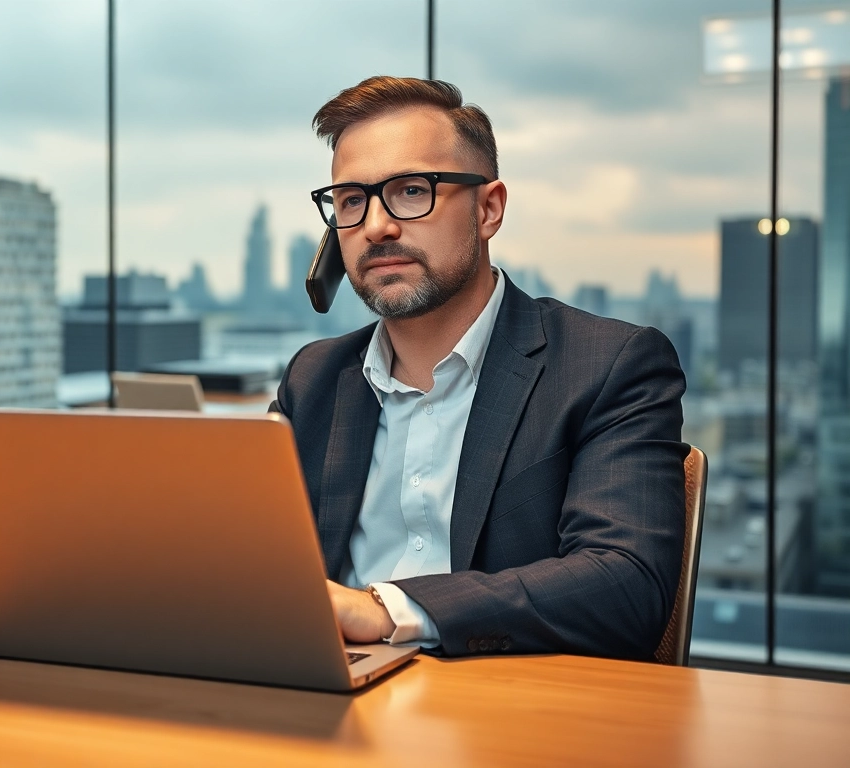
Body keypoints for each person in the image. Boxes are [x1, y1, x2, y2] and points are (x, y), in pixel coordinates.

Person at [272, 76, 687, 660]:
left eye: (412, 191)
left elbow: (625, 586)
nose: (376, 227)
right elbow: (253, 562)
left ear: (489, 209)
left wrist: (385, 611)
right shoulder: (313, 378)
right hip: (331, 705)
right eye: (351, 200)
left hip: (508, 718)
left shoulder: (609, 366)